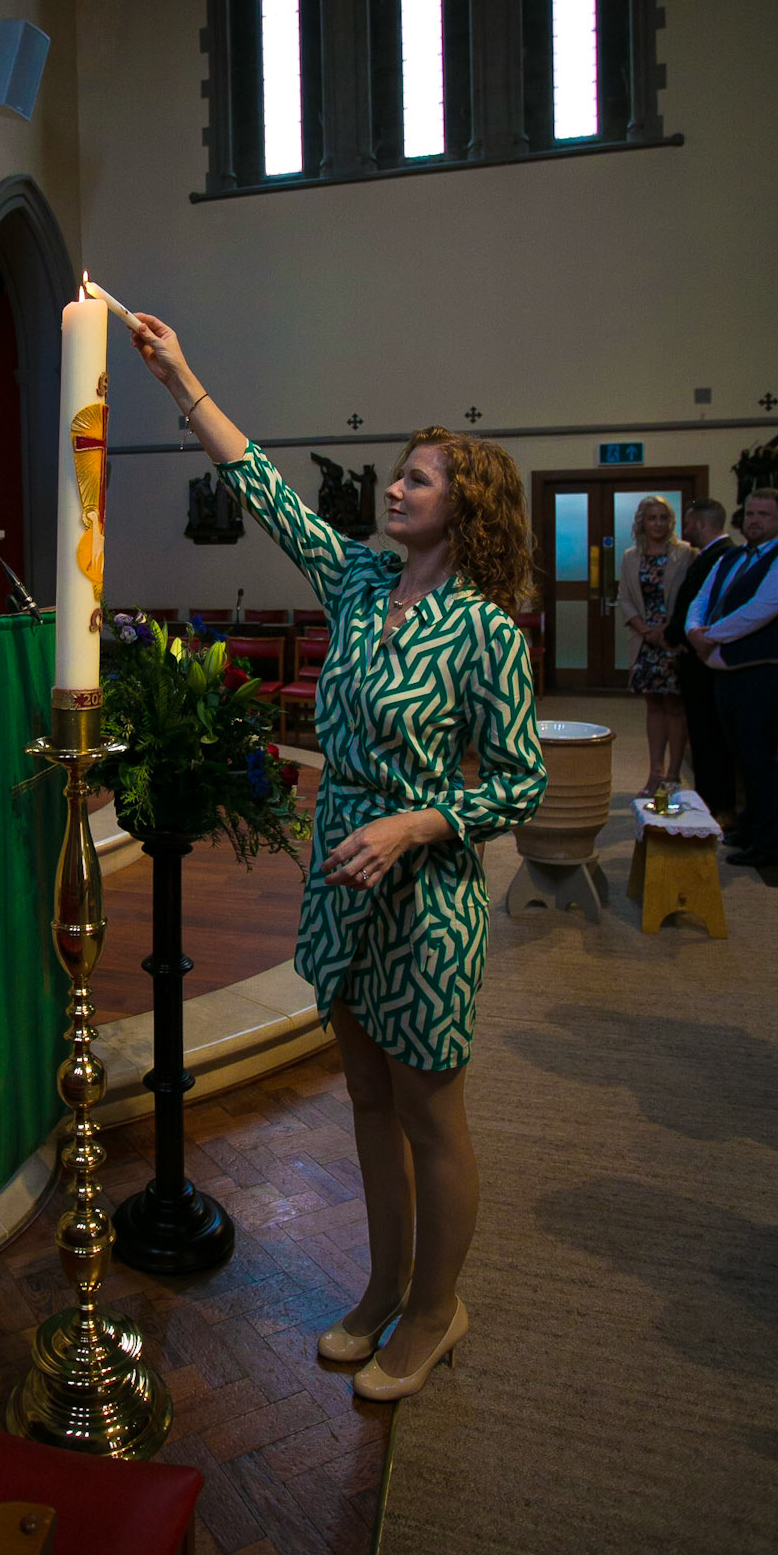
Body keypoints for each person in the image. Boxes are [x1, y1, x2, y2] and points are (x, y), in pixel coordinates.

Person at [131, 312, 546, 1401]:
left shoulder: (488, 630)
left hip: (427, 896)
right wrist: (183, 377)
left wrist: (419, 821)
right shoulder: (361, 584)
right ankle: (382, 1286)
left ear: (467, 505)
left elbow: (520, 780)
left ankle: (438, 1307)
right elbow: (264, 487)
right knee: (365, 1099)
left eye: (415, 478)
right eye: (399, 475)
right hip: (341, 883)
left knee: (430, 1112)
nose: (394, 489)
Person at [685, 486, 778, 867]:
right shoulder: (732, 556)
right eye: (750, 513)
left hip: (766, 674)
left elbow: (760, 610)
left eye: (764, 515)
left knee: (759, 755)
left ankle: (769, 843)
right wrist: (694, 629)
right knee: (739, 755)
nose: (754, 520)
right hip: (727, 672)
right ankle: (750, 825)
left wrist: (709, 637)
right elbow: (701, 600)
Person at [663, 499, 736, 814]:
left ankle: (715, 803)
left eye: (689, 523)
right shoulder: (709, 556)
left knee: (709, 735)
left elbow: (706, 602)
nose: (685, 529)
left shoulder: (723, 556)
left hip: (705, 656)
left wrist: (675, 634)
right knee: (701, 730)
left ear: (702, 524)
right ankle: (710, 798)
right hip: (692, 650)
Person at [617, 496, 693, 797]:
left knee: (675, 706)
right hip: (646, 641)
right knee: (654, 706)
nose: (658, 523)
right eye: (652, 518)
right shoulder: (631, 556)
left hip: (674, 641)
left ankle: (674, 775)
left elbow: (691, 595)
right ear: (642, 522)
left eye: (663, 517)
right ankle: (654, 773)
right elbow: (624, 596)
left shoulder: (685, 554)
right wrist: (643, 628)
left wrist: (668, 631)